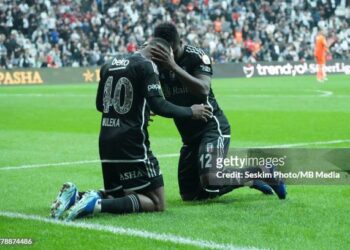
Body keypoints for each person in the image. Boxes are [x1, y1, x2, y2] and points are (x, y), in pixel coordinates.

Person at [50, 38, 213, 221]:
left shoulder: (109, 64)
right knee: (156, 202)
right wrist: (191, 112)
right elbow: (160, 105)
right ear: (160, 53)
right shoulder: (147, 66)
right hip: (131, 141)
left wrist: (139, 108)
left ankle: (76, 197)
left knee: (118, 195)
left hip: (106, 139)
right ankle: (96, 204)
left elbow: (100, 105)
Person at [151, 22, 286, 201]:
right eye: (165, 52)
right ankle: (250, 178)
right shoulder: (156, 60)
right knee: (191, 195)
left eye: (173, 51)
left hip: (212, 128)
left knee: (210, 180)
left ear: (180, 42)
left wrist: (173, 66)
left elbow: (203, 89)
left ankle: (263, 170)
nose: (169, 56)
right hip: (189, 137)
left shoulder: (196, 57)